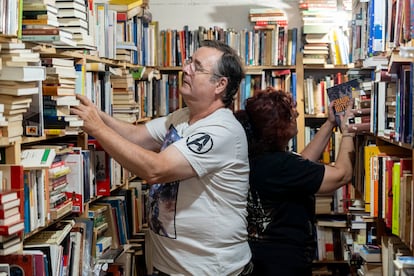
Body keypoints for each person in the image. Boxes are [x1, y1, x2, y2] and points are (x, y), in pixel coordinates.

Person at [71, 40, 252, 275]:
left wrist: (97, 129)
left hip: (211, 270)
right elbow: (136, 136)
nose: (185, 69)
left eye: (197, 66)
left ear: (220, 84)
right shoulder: (184, 117)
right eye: (189, 61)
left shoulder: (221, 130)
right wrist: (96, 115)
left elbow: (156, 169)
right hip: (171, 266)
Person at [234, 87, 355, 276]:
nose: (297, 112)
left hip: (259, 258)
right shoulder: (280, 165)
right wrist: (348, 131)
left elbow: (302, 163)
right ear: (278, 128)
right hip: (284, 263)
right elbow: (342, 175)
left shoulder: (259, 157)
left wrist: (330, 124)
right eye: (291, 115)